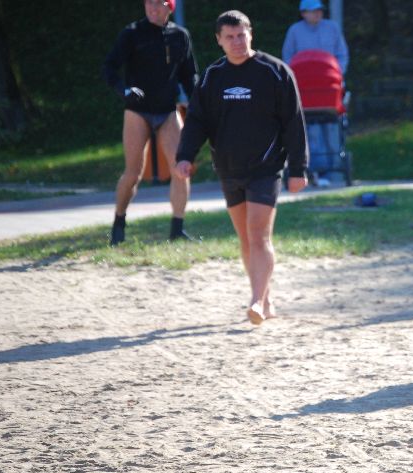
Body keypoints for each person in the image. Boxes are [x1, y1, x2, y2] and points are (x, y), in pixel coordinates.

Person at [175, 10, 308, 325]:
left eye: (241, 35)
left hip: (266, 167)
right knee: (246, 239)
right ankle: (265, 297)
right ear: (219, 40)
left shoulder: (275, 72)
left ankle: (256, 302)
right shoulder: (212, 77)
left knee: (258, 234)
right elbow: (197, 121)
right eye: (230, 37)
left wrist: (297, 168)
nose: (237, 42)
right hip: (228, 168)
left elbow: (294, 123)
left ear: (251, 34)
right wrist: (185, 155)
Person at [102, 0, 199, 246]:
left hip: (167, 110)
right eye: (149, 3)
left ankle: (177, 230)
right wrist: (124, 90)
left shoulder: (180, 36)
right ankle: (119, 223)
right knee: (133, 173)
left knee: (181, 168)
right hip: (137, 111)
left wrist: (198, 103)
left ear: (170, 7)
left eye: (159, 3)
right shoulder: (132, 33)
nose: (153, 8)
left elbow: (189, 75)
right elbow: (110, 68)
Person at [282, 0, 349, 186]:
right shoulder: (295, 31)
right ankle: (313, 170)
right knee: (311, 132)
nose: (317, 13)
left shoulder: (332, 28)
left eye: (319, 10)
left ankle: (333, 169)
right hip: (305, 90)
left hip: (329, 89)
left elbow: (342, 55)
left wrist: (337, 75)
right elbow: (288, 58)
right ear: (303, 13)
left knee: (332, 129)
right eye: (313, 11)